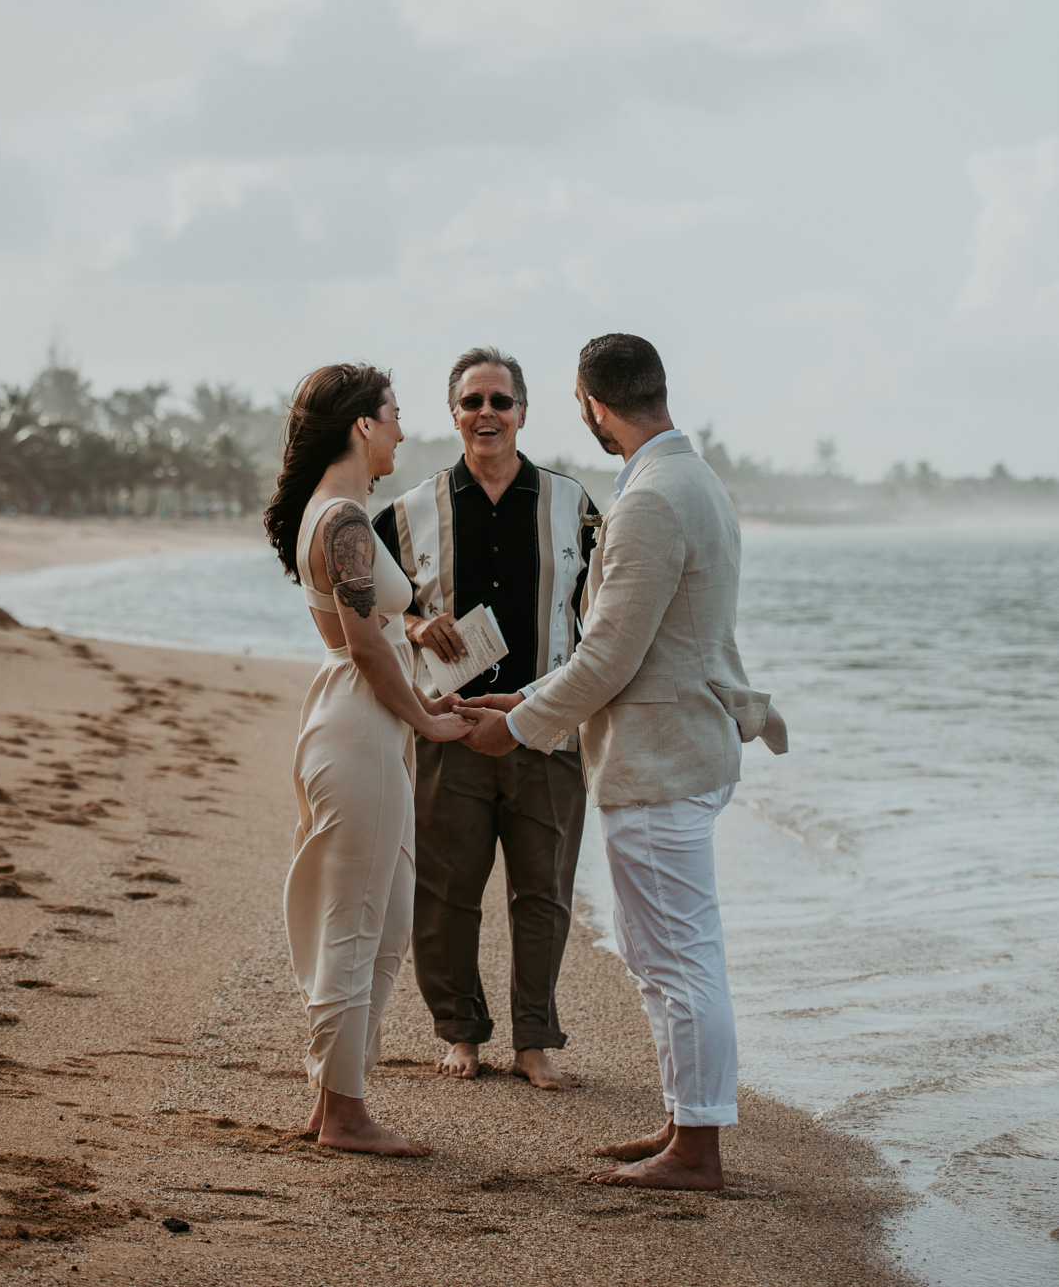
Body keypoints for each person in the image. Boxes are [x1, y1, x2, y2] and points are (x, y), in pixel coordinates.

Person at [460, 333, 787, 1189]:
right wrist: (523, 697)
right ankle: (685, 1123)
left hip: (660, 760)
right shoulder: (696, 480)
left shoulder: (651, 499)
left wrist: (520, 725)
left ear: (590, 404)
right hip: (683, 749)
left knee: (675, 958)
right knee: (666, 954)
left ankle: (698, 1148)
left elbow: (610, 655)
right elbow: (637, 645)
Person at [373, 346, 597, 1090]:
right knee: (446, 891)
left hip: (546, 727)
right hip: (451, 725)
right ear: (455, 415)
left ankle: (535, 1040)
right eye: (472, 402)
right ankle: (461, 1033)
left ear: (524, 413)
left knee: (544, 892)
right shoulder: (405, 514)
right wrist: (410, 625)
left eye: (501, 401)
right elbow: (358, 599)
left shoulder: (579, 508)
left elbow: (607, 619)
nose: (487, 414)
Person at [265, 364, 473, 1157]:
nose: (400, 431)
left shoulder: (336, 512)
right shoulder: (345, 518)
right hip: (360, 722)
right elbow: (363, 645)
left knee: (382, 918)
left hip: (358, 718)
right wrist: (424, 717)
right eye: (392, 416)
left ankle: (332, 1100)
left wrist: (421, 696)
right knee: (358, 919)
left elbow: (376, 640)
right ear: (361, 425)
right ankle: (346, 1115)